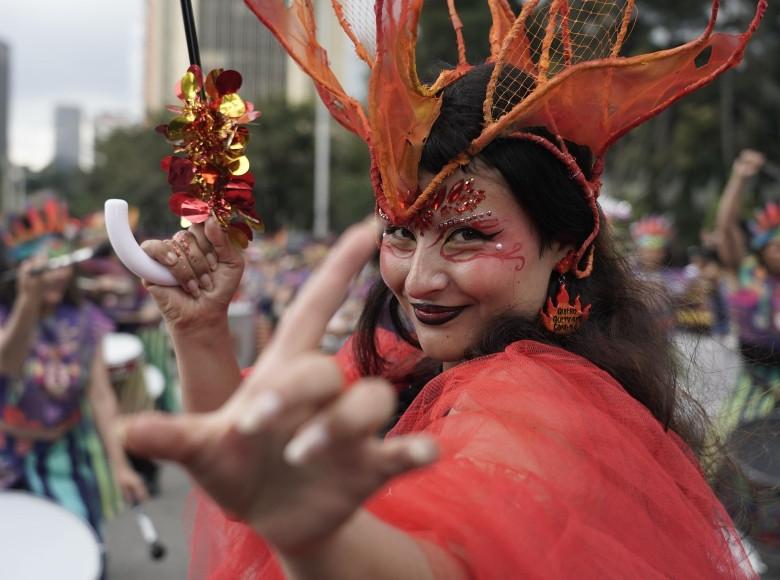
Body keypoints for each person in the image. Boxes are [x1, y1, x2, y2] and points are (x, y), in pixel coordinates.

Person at [120, 1, 765, 578]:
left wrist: (317, 537)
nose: (420, 279)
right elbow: (242, 446)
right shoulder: (397, 358)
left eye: (468, 236)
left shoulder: (540, 403)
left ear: (564, 243)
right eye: (401, 233)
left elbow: (439, 560)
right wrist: (201, 329)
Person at [0, 200, 147, 546]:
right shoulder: (8, 313)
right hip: (8, 460)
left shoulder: (85, 320)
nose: (57, 274)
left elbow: (100, 396)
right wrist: (27, 303)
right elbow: (8, 362)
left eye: (62, 264)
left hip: (68, 454)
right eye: (45, 266)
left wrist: (121, 465)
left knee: (81, 548)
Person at [712, 149, 780, 436]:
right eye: (777, 246)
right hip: (751, 381)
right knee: (728, 450)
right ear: (763, 248)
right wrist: (739, 178)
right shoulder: (745, 270)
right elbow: (726, 228)